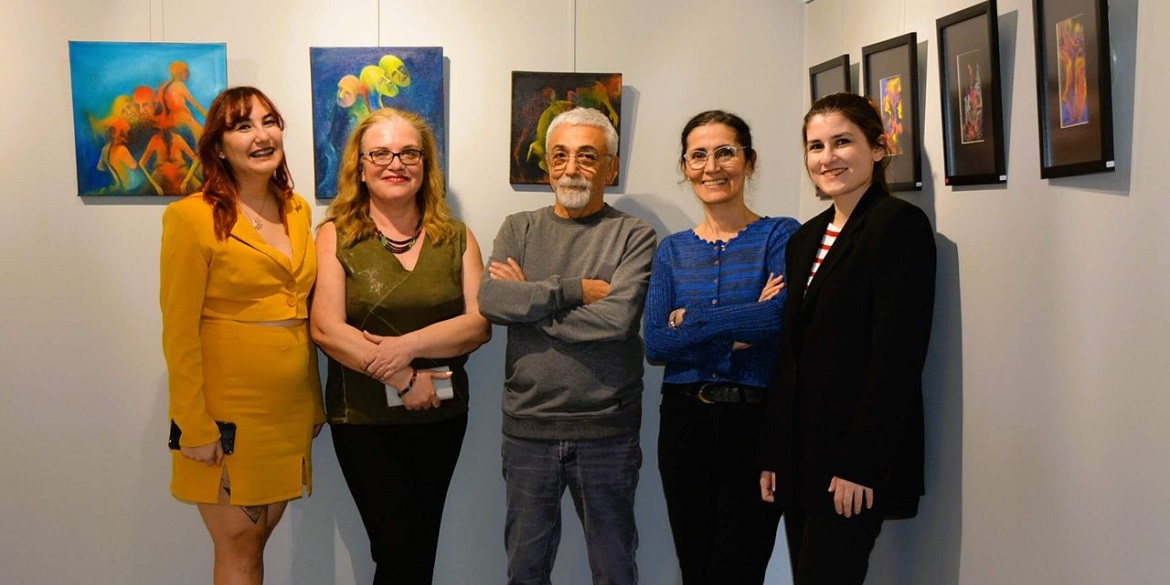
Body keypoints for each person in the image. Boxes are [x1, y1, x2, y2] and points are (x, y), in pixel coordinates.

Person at [757, 92, 937, 584]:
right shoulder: (805, 237)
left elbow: (897, 359)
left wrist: (861, 464)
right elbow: (790, 354)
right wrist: (774, 452)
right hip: (800, 457)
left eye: (842, 142)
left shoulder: (898, 226)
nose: (827, 158)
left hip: (852, 462)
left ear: (878, 149)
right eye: (816, 146)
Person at [310, 107, 490, 585]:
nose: (396, 163)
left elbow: (478, 325)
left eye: (409, 153)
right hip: (364, 420)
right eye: (381, 154)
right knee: (396, 546)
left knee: (420, 545)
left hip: (441, 416)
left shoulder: (457, 238)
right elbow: (326, 329)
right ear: (360, 168)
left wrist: (405, 346)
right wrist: (403, 376)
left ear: (426, 166)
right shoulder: (335, 236)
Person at [479, 107, 657, 585]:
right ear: (547, 166)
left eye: (587, 156)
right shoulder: (518, 228)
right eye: (560, 156)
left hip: (607, 432)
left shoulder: (633, 235)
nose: (571, 168)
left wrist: (530, 301)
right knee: (525, 570)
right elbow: (492, 300)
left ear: (610, 169)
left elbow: (618, 320)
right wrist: (572, 290)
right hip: (527, 429)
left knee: (615, 569)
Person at [160, 86, 324, 585]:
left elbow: (301, 314)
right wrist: (193, 425)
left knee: (256, 544)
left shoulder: (297, 210)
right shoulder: (190, 217)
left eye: (269, 122)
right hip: (228, 415)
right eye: (243, 126)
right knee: (240, 549)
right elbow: (179, 330)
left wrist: (314, 403)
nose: (261, 135)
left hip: (287, 412)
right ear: (218, 145)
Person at [644, 110, 800, 585]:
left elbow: (777, 319)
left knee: (739, 570)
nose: (711, 167)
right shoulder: (673, 250)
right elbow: (657, 342)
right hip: (684, 423)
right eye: (698, 156)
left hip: (754, 423)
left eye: (725, 153)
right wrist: (742, 323)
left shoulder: (781, 234)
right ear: (685, 167)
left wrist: (691, 319)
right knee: (696, 569)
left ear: (749, 161)